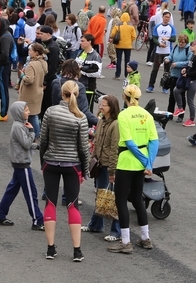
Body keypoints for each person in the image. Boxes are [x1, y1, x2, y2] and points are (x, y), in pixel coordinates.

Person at [40, 80, 90, 262]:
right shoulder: (80, 117)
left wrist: (42, 161)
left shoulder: (50, 112)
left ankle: (51, 249)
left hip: (51, 163)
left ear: (62, 93)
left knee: (50, 203)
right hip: (72, 165)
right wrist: (84, 171)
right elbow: (84, 148)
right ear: (77, 94)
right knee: (72, 205)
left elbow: (43, 140)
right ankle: (77, 251)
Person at [107, 85, 159, 254]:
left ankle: (125, 241)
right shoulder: (147, 114)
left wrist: (144, 161)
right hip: (142, 163)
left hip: (126, 161)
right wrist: (148, 163)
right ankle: (145, 238)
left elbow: (129, 143)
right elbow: (154, 141)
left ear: (125, 97)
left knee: (121, 200)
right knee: (137, 199)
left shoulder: (123, 115)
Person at [0, 100, 44, 226]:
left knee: (12, 190)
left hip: (19, 162)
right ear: (19, 112)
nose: (29, 112)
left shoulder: (20, 125)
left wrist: (37, 146)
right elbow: (26, 144)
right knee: (31, 192)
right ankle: (37, 220)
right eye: (26, 110)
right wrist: (32, 131)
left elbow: (24, 144)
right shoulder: (19, 127)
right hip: (22, 163)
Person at [82, 94, 121, 241]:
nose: (100, 106)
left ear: (111, 107)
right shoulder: (101, 121)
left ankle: (115, 231)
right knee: (101, 195)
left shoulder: (116, 125)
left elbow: (114, 149)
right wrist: (92, 160)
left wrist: (112, 171)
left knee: (112, 197)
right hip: (100, 164)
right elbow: (97, 143)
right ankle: (96, 224)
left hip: (107, 166)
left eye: (104, 104)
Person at [18, 42, 47, 137]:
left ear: (36, 52)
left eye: (31, 50)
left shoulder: (32, 65)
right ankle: (36, 133)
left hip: (29, 93)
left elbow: (29, 80)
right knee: (34, 114)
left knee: (31, 114)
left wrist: (22, 75)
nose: (29, 52)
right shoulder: (44, 63)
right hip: (38, 91)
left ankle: (35, 134)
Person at [110, 12, 136, 80]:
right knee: (127, 61)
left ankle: (117, 75)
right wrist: (130, 41)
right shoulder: (131, 26)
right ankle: (126, 75)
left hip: (119, 45)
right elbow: (134, 36)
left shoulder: (117, 25)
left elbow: (112, 34)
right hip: (128, 46)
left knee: (119, 60)